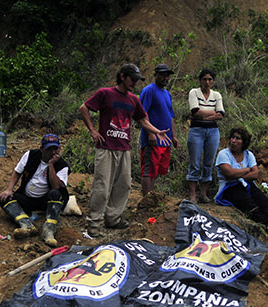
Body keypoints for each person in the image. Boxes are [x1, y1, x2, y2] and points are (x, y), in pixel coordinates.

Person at [79, 63, 171, 237]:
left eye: (137, 80)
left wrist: (156, 131)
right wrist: (92, 130)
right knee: (102, 186)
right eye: (132, 79)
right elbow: (84, 108)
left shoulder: (133, 99)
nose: (135, 83)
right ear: (122, 76)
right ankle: (94, 224)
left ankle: (113, 219)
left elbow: (142, 120)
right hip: (106, 147)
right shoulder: (105, 93)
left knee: (124, 185)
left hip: (124, 148)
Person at [215, 128, 268, 241]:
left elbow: (255, 174)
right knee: (250, 205)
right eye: (232, 137)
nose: (233, 140)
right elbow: (229, 174)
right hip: (229, 187)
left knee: (263, 200)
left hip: (247, 184)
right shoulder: (223, 154)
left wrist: (238, 173)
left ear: (244, 142)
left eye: (237, 138)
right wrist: (246, 170)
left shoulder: (248, 154)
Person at [0, 134, 69, 247]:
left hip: (45, 201)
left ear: (59, 149)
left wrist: (51, 165)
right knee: (5, 198)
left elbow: (56, 186)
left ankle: (49, 230)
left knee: (56, 194)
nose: (52, 152)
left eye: (55, 148)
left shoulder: (62, 166)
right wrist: (9, 189)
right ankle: (26, 225)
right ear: (42, 149)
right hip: (27, 197)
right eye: (49, 149)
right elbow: (17, 172)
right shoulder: (30, 155)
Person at [139, 64, 179, 195]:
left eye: (167, 75)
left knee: (155, 171)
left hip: (165, 140)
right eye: (162, 75)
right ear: (155, 75)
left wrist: (174, 136)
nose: (165, 78)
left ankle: (151, 197)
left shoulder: (167, 94)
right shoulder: (149, 91)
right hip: (153, 139)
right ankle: (146, 199)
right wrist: (151, 133)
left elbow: (171, 115)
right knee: (148, 170)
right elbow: (142, 113)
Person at [187, 68, 224, 203]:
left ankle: (203, 194)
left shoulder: (216, 95)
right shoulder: (194, 92)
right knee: (195, 163)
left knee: (208, 163)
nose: (207, 82)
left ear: (213, 81)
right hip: (196, 130)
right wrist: (212, 115)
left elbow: (221, 114)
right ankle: (192, 195)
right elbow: (195, 111)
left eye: (209, 79)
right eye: (204, 79)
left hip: (213, 132)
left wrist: (204, 115)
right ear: (200, 80)